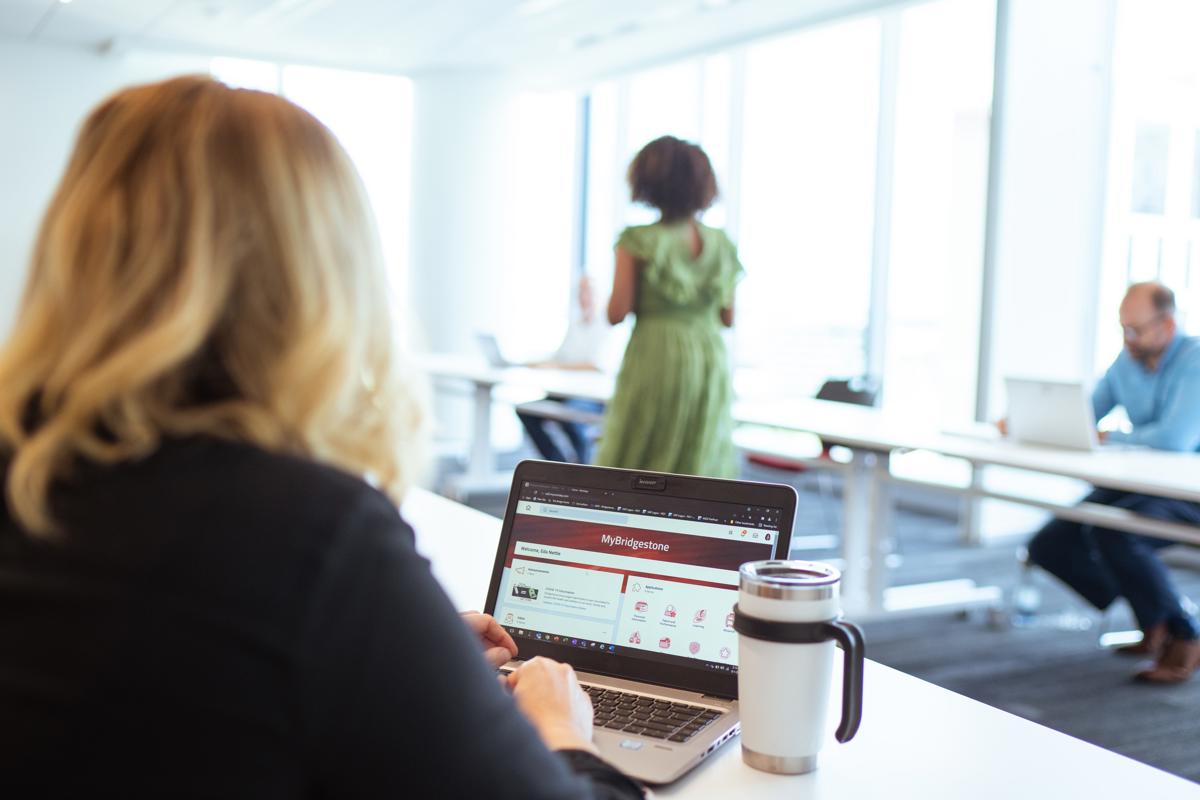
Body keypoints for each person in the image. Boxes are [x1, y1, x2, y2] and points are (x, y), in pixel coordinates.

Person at [0, 76, 643, 798]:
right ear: (322, 282)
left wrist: (402, 652)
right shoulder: (309, 535)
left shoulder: (27, 470)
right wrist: (560, 731)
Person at [1023, 282, 1200, 684]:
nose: (1129, 340)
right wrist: (1035, 421)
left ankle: (1185, 632)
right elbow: (1087, 414)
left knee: (1116, 534)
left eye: (1136, 330)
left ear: (1168, 324)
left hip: (1189, 487)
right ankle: (1154, 615)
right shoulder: (1128, 360)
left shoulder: (1195, 360)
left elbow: (1175, 441)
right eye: (1123, 329)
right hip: (1145, 480)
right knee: (1052, 541)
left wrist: (1111, 437)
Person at [594, 136, 742, 478]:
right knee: (701, 456)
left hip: (655, 357)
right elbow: (727, 317)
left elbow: (616, 313)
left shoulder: (638, 240)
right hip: (708, 360)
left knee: (639, 454)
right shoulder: (721, 244)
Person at [516, 275, 609, 463]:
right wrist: (537, 362)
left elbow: (595, 366)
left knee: (570, 417)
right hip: (566, 393)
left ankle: (582, 472)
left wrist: (557, 366)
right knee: (526, 411)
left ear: (599, 295)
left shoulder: (606, 325)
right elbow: (560, 356)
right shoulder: (575, 324)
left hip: (591, 397)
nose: (584, 297)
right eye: (580, 292)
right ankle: (557, 463)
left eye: (588, 291)